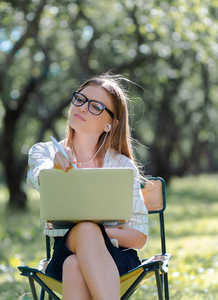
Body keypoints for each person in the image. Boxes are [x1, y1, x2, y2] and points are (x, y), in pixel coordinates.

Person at [27, 72, 149, 300]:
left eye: (96, 107)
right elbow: (37, 176)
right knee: (82, 236)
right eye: (80, 99)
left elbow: (139, 237)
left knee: (76, 262)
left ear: (110, 125)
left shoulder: (121, 165)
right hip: (64, 250)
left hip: (118, 258)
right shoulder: (44, 152)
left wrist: (94, 231)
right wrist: (54, 169)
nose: (82, 108)